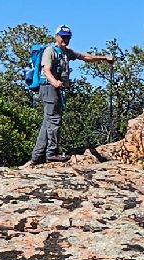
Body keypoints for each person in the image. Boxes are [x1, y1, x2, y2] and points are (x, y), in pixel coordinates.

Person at [29, 25, 115, 165]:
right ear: (57, 36)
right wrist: (55, 82)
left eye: (68, 37)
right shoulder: (50, 51)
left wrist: (104, 58)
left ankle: (37, 156)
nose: (65, 39)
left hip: (54, 88)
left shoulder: (66, 52)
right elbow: (46, 70)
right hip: (49, 87)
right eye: (63, 36)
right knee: (54, 120)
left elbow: (85, 57)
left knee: (48, 121)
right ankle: (52, 153)